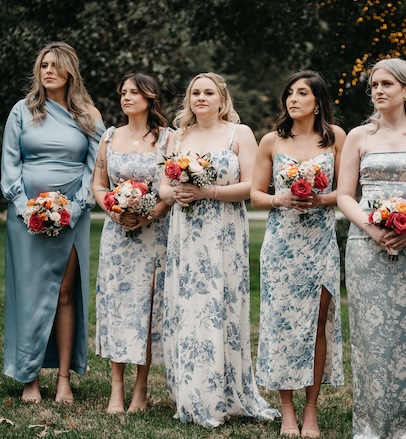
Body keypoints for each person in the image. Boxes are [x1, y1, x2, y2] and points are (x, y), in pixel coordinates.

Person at [158, 72, 278, 428]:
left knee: (219, 305)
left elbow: (252, 187)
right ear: (189, 99)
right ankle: (193, 394)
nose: (201, 98)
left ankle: (226, 393)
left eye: (208, 92)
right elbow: (163, 186)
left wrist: (206, 192)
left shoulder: (238, 134)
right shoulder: (178, 137)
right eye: (195, 92)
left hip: (224, 233)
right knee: (189, 307)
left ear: (222, 98)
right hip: (186, 235)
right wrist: (175, 194)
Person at [336, 58, 406, 438]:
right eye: (374, 85)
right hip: (366, 246)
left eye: (386, 84)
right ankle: (368, 427)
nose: (378, 91)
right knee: (369, 337)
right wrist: (371, 228)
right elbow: (345, 196)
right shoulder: (359, 136)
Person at [1, 41, 104, 404]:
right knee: (29, 295)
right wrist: (23, 206)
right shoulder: (22, 111)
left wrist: (74, 209)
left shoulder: (88, 114)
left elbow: (97, 167)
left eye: (55, 65)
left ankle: (63, 380)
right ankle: (29, 379)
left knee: (64, 293)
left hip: (72, 215)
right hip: (25, 217)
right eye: (43, 65)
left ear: (69, 71)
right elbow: (10, 162)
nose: (47, 71)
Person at [251, 70, 346, 438]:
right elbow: (257, 194)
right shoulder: (271, 141)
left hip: (320, 243)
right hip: (281, 245)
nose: (292, 99)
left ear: (318, 101)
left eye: (301, 93)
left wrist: (321, 198)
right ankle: (287, 410)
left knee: (317, 324)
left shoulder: (337, 138)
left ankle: (311, 411)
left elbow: (348, 189)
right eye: (289, 93)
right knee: (281, 326)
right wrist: (280, 198)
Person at [92, 73, 172, 414]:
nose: (126, 97)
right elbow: (98, 184)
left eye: (134, 92)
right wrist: (112, 208)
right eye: (123, 91)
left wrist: (149, 213)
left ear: (149, 97)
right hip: (117, 237)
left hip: (154, 235)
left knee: (148, 309)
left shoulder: (168, 140)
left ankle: (141, 390)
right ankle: (116, 390)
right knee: (118, 308)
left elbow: (171, 187)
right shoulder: (109, 138)